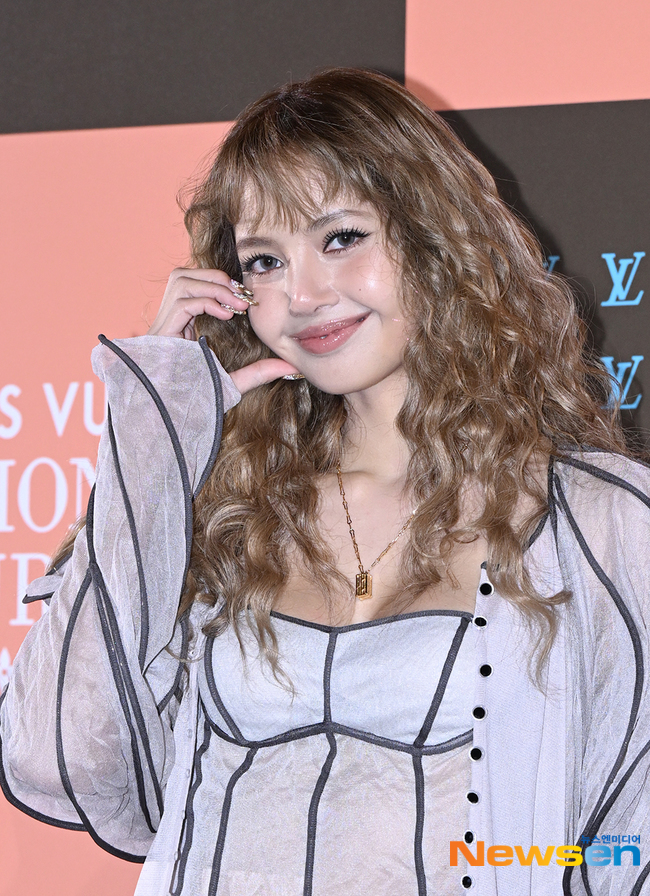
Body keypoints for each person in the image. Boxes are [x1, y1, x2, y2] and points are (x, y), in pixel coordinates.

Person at [1, 67, 649, 896]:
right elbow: (56, 755)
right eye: (264, 262)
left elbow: (629, 845)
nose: (302, 295)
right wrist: (153, 432)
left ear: (432, 236)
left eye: (341, 238)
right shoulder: (220, 509)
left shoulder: (593, 521)